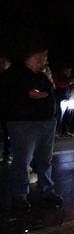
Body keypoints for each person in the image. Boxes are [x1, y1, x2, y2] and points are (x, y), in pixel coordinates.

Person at [2, 40, 63, 210]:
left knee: (45, 160)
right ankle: (19, 197)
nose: (46, 61)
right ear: (35, 57)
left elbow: (46, 91)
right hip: (25, 124)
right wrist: (44, 94)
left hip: (45, 122)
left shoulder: (40, 75)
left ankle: (47, 191)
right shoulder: (17, 74)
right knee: (22, 162)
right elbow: (34, 94)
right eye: (44, 57)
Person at [53, 61, 74, 137]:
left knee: (69, 115)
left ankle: (66, 131)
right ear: (63, 70)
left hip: (71, 99)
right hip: (62, 99)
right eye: (67, 70)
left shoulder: (71, 77)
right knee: (60, 115)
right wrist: (69, 82)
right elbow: (59, 85)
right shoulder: (58, 76)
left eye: (70, 70)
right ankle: (57, 131)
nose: (69, 71)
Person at [0, 53, 12, 164]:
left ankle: (7, 154)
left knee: (8, 132)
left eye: (4, 62)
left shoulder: (11, 77)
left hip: (7, 110)